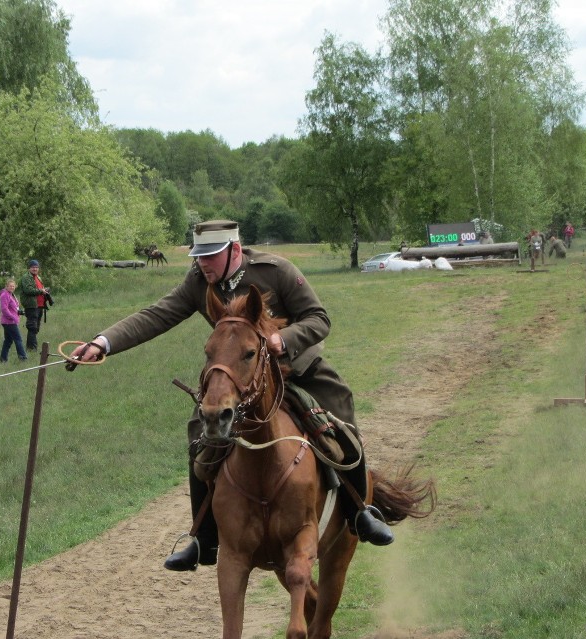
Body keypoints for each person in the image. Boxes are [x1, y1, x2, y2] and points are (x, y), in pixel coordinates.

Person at [69, 220, 395, 573]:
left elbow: (319, 319)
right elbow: (157, 315)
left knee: (340, 412)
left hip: (296, 368)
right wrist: (102, 343)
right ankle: (202, 539)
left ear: (234, 250)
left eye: (211, 256)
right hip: (240, 381)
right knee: (200, 432)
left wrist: (282, 340)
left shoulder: (276, 271)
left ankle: (360, 511)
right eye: (199, 256)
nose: (203, 263)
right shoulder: (199, 282)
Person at [19, 259, 49, 352]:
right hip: (31, 306)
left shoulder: (38, 277)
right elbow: (28, 290)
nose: (35, 269)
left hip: (39, 305)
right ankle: (32, 348)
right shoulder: (26, 277)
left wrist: (45, 291)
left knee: (36, 328)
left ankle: (30, 347)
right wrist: (41, 291)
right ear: (29, 268)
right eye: (33, 267)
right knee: (32, 327)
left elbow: (40, 289)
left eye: (36, 267)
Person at [0, 278, 27, 363]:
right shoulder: (4, 295)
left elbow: (13, 307)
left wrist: (19, 312)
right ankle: (23, 358)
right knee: (18, 339)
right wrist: (13, 317)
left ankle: (3, 359)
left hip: (10, 321)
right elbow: (4, 309)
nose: (12, 287)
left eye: (13, 286)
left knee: (8, 341)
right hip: (9, 322)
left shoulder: (11, 294)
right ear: (6, 286)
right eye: (10, 286)